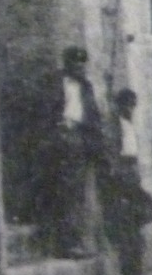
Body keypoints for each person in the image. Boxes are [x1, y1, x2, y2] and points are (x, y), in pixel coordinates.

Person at [39, 45, 104, 259]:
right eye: (76, 63)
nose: (80, 67)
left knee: (77, 192)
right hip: (59, 138)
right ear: (67, 64)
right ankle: (62, 244)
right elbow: (44, 111)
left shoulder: (86, 87)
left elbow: (93, 115)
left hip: (79, 139)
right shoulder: (54, 82)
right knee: (60, 192)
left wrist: (93, 142)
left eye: (82, 63)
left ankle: (76, 242)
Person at [101, 88, 152, 275]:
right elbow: (112, 155)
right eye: (127, 105)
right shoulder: (113, 125)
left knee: (151, 214)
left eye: (133, 105)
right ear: (120, 105)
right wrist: (119, 180)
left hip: (130, 178)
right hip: (120, 183)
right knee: (129, 231)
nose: (131, 109)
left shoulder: (128, 124)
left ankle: (134, 272)